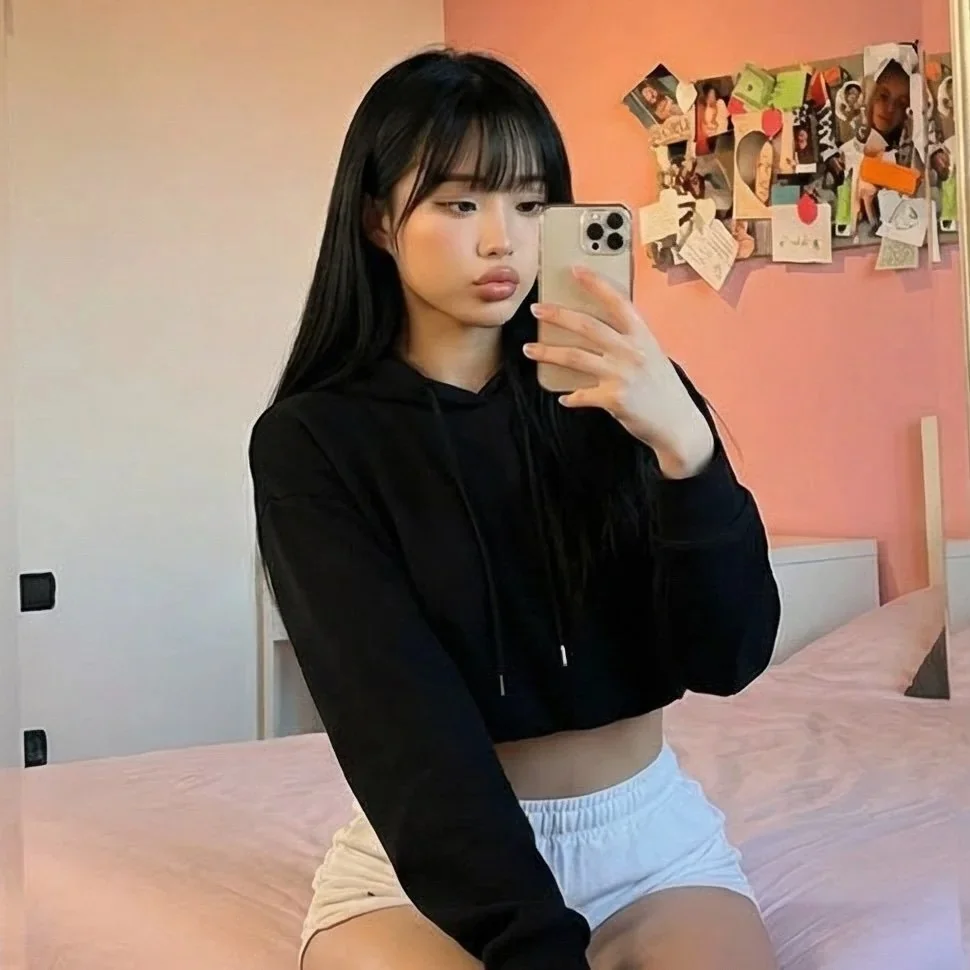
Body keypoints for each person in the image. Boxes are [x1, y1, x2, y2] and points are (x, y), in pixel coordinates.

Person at [249, 48, 781, 970]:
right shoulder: (315, 443)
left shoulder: (628, 394)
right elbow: (403, 734)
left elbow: (728, 659)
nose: (503, 241)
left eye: (531, 205)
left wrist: (686, 453)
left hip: (648, 847)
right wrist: (536, 948)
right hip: (429, 870)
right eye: (460, 204)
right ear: (377, 219)